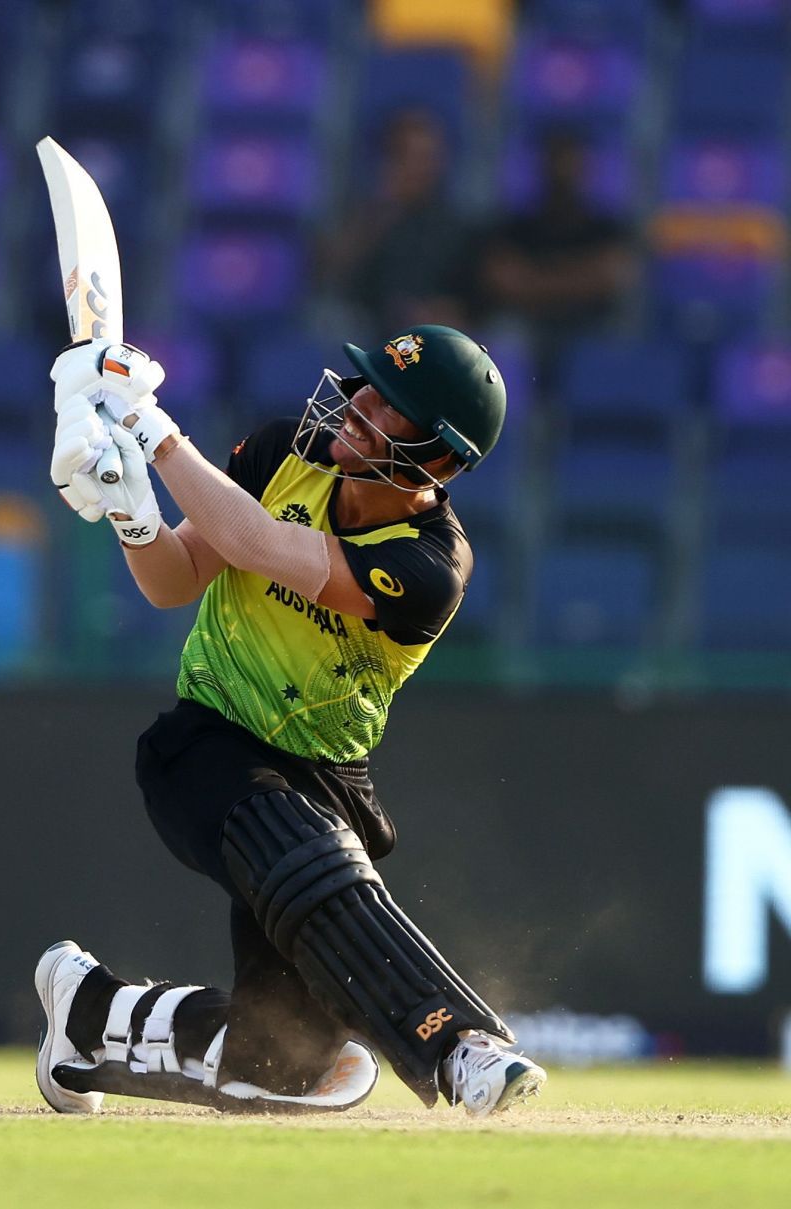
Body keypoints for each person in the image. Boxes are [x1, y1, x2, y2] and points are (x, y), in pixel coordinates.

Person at [35, 325, 546, 1118]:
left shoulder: (428, 564)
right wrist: (133, 515)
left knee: (282, 1059)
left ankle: (90, 1012)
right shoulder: (287, 453)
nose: (361, 404)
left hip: (324, 780)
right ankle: (461, 1047)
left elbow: (262, 544)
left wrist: (151, 429)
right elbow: (177, 580)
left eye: (391, 404)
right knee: (304, 854)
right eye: (370, 384)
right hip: (207, 748)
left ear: (438, 459)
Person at [478, 130, 636, 343]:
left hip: (592, 325)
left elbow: (613, 277)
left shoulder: (607, 228)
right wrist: (580, 277)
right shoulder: (514, 227)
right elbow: (504, 283)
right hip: (528, 327)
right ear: (541, 169)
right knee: (505, 331)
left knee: (622, 332)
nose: (563, 173)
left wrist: (533, 280)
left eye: (571, 165)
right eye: (556, 164)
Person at [324, 109, 473, 335]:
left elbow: (471, 292)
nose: (415, 168)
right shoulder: (360, 212)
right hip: (368, 325)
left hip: (437, 332)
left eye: (425, 157)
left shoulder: (458, 224)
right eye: (404, 156)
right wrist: (380, 213)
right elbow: (329, 274)